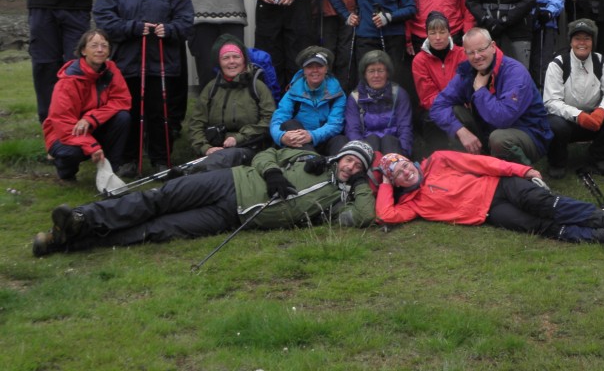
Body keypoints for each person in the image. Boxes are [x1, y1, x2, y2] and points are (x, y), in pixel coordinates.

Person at [31, 141, 378, 256]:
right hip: (228, 182)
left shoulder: (339, 200)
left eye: (358, 166)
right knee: (158, 199)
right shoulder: (309, 158)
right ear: (339, 156)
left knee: (159, 229)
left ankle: (67, 242)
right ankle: (83, 218)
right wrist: (273, 174)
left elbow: (364, 216)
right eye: (349, 159)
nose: (350, 167)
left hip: (232, 218)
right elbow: (265, 154)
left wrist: (362, 182)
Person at [374, 151, 604, 250]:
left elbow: (481, 162)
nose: (406, 172)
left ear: (410, 161)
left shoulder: (438, 160)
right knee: (538, 225)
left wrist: (522, 170)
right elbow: (386, 214)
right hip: (489, 212)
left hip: (500, 185)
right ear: (396, 183)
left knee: (543, 203)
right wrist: (385, 183)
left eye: (405, 165)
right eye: (398, 175)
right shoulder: (413, 204)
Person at [92, 0, 194, 175]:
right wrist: (132, 28)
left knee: (160, 112)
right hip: (127, 62)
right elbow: (103, 18)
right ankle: (128, 159)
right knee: (128, 111)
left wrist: (169, 30)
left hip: (161, 62)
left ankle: (161, 160)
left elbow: (186, 18)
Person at [429, 27, 552, 166]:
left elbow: (503, 119)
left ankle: (523, 172)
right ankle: (475, 165)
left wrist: (480, 90)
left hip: (528, 134)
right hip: (488, 133)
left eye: (481, 50)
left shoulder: (514, 72)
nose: (477, 56)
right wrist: (460, 130)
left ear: (493, 47)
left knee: (498, 139)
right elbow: (438, 106)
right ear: (465, 53)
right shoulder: (467, 72)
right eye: (471, 52)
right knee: (456, 112)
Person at [542, 18, 604, 178]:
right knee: (554, 125)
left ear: (593, 42)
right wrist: (578, 115)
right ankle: (557, 162)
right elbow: (551, 102)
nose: (582, 43)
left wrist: (602, 111)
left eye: (587, 38)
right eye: (577, 38)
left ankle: (598, 157)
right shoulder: (558, 64)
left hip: (595, 120)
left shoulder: (602, 62)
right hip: (567, 122)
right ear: (571, 42)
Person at [42, 29, 131, 182]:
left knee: (123, 117)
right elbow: (62, 123)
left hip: (93, 126)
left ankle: (111, 171)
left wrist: (91, 119)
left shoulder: (111, 70)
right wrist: (92, 146)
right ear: (83, 51)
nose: (100, 50)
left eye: (104, 45)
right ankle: (66, 173)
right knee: (71, 153)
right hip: (64, 133)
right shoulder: (68, 81)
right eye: (94, 45)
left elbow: (122, 100)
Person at [184, 34, 274, 170]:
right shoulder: (211, 88)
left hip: (248, 147)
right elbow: (196, 123)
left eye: (236, 57)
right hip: (216, 149)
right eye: (225, 58)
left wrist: (239, 137)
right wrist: (205, 148)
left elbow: (269, 120)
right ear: (219, 62)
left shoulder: (258, 87)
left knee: (219, 165)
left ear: (244, 60)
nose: (231, 62)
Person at [270, 46, 348, 156]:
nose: (315, 70)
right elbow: (278, 118)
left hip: (324, 140)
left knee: (340, 140)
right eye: (310, 67)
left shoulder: (337, 94)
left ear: (326, 69)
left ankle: (333, 165)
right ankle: (311, 160)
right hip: (298, 142)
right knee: (290, 124)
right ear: (304, 70)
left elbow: (335, 125)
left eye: (319, 66)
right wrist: (281, 137)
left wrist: (312, 135)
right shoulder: (293, 92)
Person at [344, 50, 414, 155]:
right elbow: (353, 130)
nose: (376, 75)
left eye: (380, 71)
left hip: (394, 147)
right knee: (372, 139)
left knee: (388, 140)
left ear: (387, 73)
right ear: (364, 74)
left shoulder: (399, 93)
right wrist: (359, 154)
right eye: (371, 71)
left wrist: (403, 153)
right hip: (367, 147)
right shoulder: (355, 97)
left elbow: (405, 127)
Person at [412, 11, 467, 111]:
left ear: (449, 33)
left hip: (463, 107)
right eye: (433, 33)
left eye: (442, 32)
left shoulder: (462, 54)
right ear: (427, 35)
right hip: (436, 110)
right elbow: (428, 97)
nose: (438, 38)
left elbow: (467, 87)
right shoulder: (419, 61)